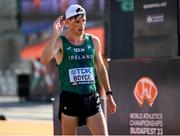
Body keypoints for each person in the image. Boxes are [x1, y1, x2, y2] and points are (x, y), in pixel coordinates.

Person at [41, 4, 117, 135]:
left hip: (91, 98)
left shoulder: (93, 41)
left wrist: (109, 95)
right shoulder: (60, 42)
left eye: (84, 21)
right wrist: (54, 36)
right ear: (67, 22)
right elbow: (44, 59)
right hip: (70, 100)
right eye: (77, 21)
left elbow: (100, 68)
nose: (81, 25)